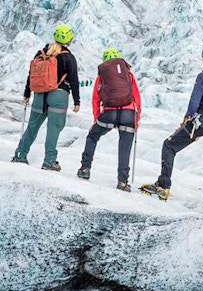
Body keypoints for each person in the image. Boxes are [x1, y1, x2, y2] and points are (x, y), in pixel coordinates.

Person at [140, 45, 203, 216]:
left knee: (169, 146)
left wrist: (186, 120)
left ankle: (163, 185)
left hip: (202, 124)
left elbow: (193, 103)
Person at [12, 24, 80, 170]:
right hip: (59, 95)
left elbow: (31, 74)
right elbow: (74, 80)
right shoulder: (68, 57)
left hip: (39, 95)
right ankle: (49, 162)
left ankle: (20, 154)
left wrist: (26, 93)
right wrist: (77, 101)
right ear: (68, 39)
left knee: (32, 127)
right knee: (53, 129)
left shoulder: (41, 53)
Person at [77, 48, 141, 192]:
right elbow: (136, 97)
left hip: (109, 113)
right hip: (128, 113)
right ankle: (122, 182)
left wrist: (96, 118)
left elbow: (96, 99)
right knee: (125, 147)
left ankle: (85, 168)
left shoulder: (102, 76)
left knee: (92, 137)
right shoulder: (128, 75)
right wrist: (136, 118)